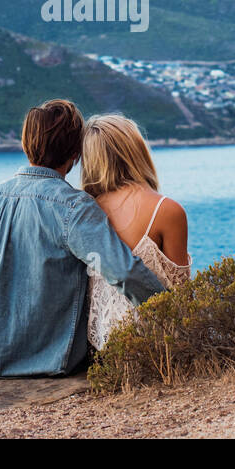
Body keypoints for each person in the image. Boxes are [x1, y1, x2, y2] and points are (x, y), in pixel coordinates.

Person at [0, 99, 165, 376]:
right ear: (76, 154)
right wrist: (175, 313)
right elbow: (125, 273)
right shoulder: (73, 207)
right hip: (43, 366)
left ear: (25, 144)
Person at [81, 113, 191, 350]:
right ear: (136, 150)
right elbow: (182, 295)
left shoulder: (80, 212)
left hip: (94, 351)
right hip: (157, 347)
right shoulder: (167, 211)